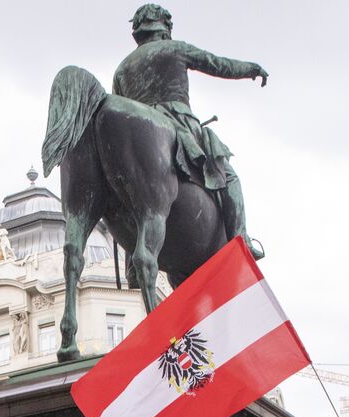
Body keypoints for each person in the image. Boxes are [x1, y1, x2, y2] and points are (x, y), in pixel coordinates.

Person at [111, 3, 267, 256]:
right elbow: (217, 64)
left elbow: (120, 113)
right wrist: (251, 68)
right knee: (229, 176)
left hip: (140, 140)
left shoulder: (122, 68)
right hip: (178, 123)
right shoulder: (175, 48)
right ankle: (241, 239)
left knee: (134, 194)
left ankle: (133, 259)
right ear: (164, 26)